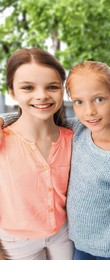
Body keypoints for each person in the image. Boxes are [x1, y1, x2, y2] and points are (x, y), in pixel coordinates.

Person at [0, 61, 110, 260]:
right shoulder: (79, 129)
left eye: (99, 99)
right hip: (78, 245)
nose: (89, 111)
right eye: (79, 102)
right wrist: (4, 120)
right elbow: (34, 117)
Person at [0, 48, 74, 260]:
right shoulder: (3, 140)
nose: (41, 95)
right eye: (28, 88)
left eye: (52, 87)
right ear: (12, 92)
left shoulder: (73, 138)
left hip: (62, 233)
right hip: (15, 242)